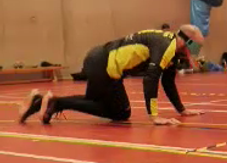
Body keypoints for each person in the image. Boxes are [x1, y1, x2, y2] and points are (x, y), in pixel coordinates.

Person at [18, 25, 205, 126]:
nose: (195, 52)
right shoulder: (167, 46)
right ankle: (53, 102)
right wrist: (154, 115)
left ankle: (42, 103)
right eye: (195, 47)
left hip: (103, 63)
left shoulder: (169, 47)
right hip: (103, 64)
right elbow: (151, 77)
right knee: (118, 112)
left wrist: (181, 109)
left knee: (100, 104)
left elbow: (168, 81)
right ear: (186, 40)